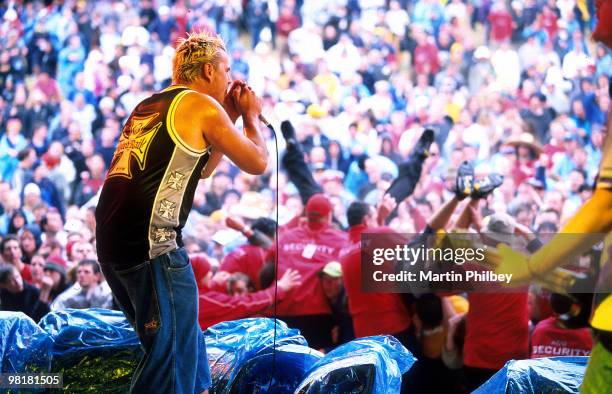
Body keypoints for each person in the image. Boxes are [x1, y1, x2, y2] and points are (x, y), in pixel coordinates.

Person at [95, 31, 268, 394]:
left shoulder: (150, 103)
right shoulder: (201, 105)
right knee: (170, 363)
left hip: (114, 247)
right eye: (226, 70)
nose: (229, 79)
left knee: (183, 349)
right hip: (153, 247)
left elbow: (200, 168)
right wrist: (251, 116)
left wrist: (230, 117)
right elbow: (257, 162)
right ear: (208, 71)